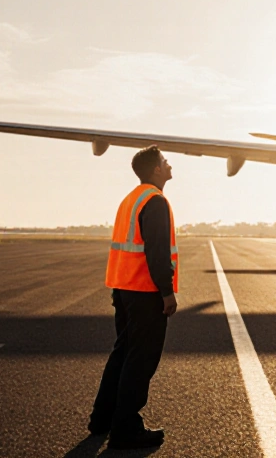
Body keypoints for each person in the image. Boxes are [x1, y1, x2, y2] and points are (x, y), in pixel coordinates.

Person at [88, 145, 179, 450]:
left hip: (123, 288)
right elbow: (157, 252)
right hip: (145, 293)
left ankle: (102, 419)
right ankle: (125, 428)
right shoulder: (155, 201)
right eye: (165, 162)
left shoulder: (131, 199)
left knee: (122, 355)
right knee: (140, 360)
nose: (169, 166)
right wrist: (166, 292)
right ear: (155, 169)